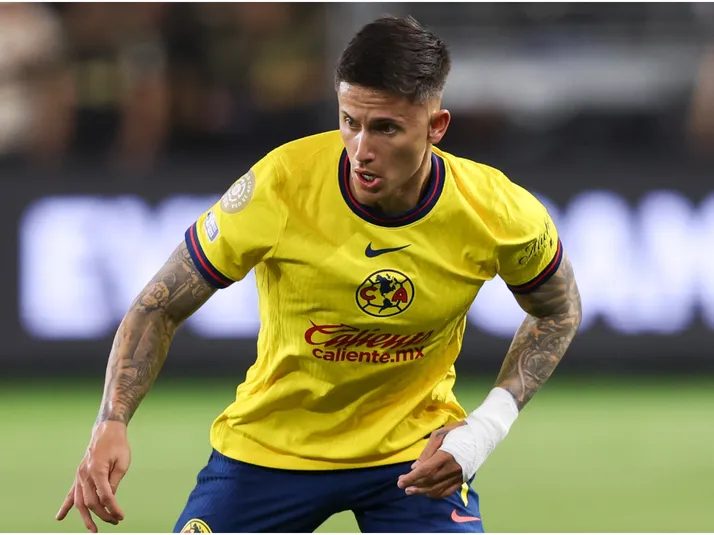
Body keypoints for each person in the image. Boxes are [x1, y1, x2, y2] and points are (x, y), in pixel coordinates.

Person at [56, 15, 582, 533]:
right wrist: (111, 421)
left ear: (436, 127)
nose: (361, 150)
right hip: (271, 449)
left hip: (412, 455)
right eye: (350, 122)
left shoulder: (497, 211)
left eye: (386, 128)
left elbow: (558, 310)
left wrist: (485, 429)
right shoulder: (281, 184)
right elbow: (158, 306)